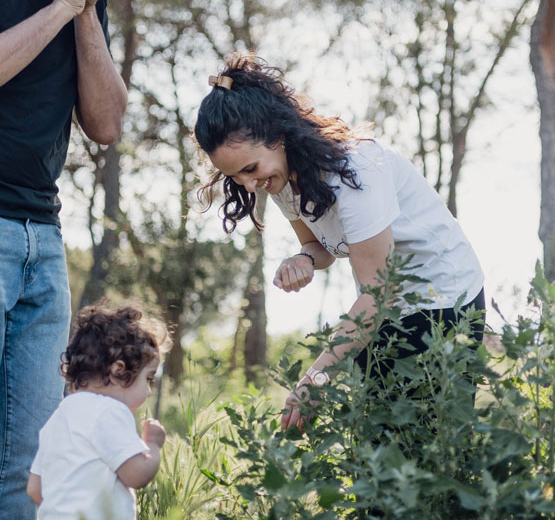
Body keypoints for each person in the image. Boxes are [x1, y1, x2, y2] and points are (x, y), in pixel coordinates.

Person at [0, 0, 171, 517]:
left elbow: (105, 124)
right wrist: (59, 6)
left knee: (28, 459)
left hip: (42, 241)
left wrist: (83, 13)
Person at [193, 53, 486, 432]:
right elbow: (319, 248)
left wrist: (314, 379)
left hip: (446, 301)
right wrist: (303, 259)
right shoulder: (282, 179)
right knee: (378, 433)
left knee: (432, 437)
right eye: (236, 178)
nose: (250, 185)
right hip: (389, 306)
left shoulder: (358, 172)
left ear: (279, 136)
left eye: (250, 169)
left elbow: (378, 294)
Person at [27, 304, 169, 520]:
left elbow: (35, 489)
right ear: (118, 372)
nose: (149, 391)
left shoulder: (58, 417)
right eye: (148, 378)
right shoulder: (110, 412)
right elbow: (137, 475)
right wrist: (153, 445)